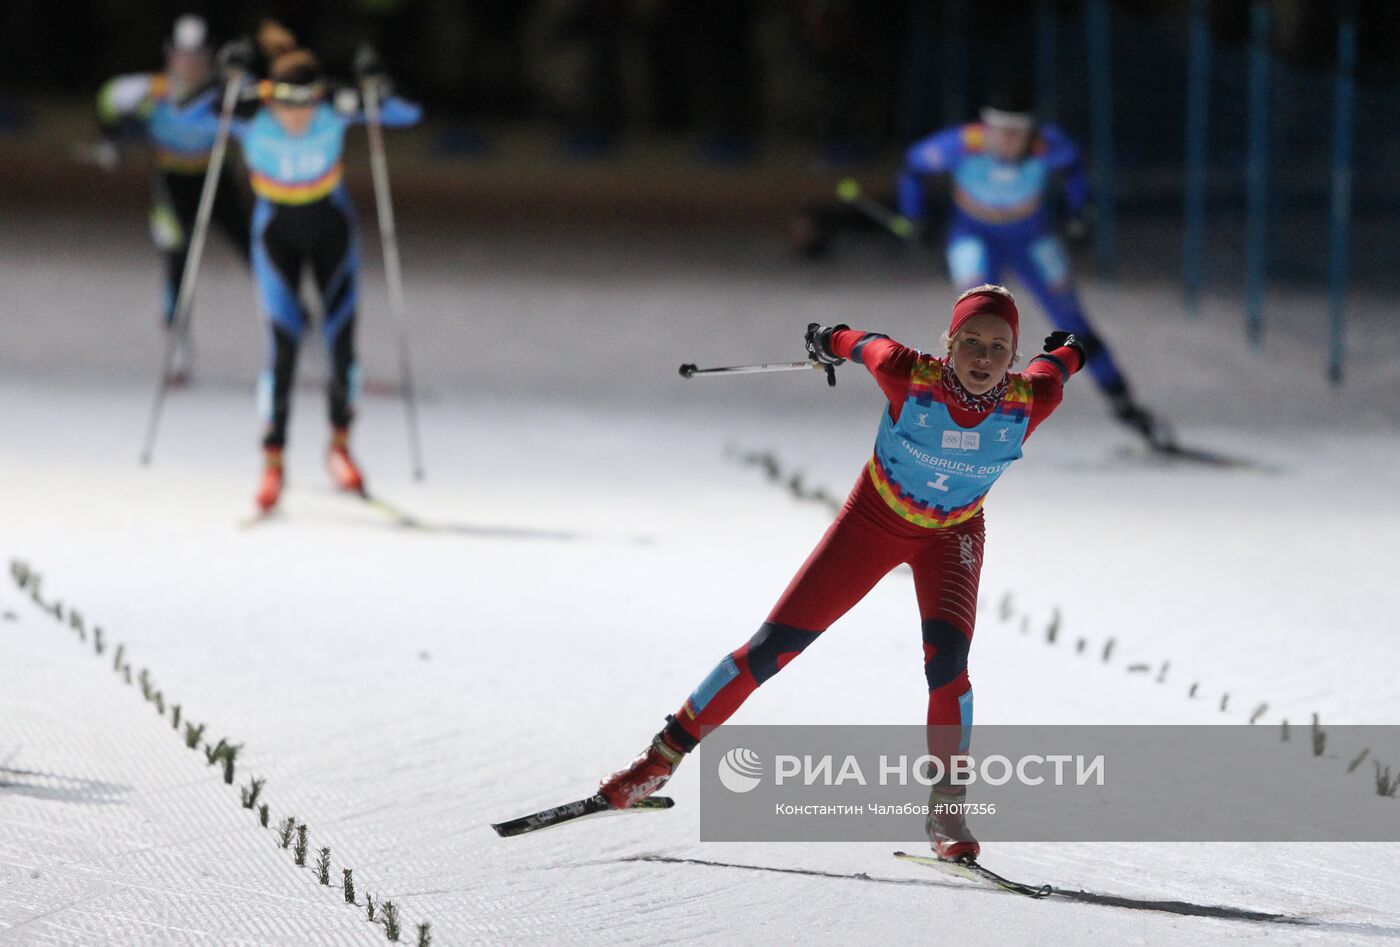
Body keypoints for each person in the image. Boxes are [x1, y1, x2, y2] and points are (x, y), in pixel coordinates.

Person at [599, 284, 1085, 861]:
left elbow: (1059, 363)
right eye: (970, 342)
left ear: (1013, 353)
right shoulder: (911, 375)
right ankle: (657, 762)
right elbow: (867, 344)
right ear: (948, 344)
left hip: (952, 536)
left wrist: (1069, 350)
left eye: (999, 348)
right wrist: (828, 339)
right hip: (872, 523)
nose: (983, 358)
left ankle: (946, 811)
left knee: (948, 666)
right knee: (772, 647)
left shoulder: (1033, 397)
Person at [177, 44, 421, 512]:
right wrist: (222, 82)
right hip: (276, 237)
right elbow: (187, 114)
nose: (299, 117)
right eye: (288, 104)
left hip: (332, 232)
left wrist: (377, 82)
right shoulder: (251, 116)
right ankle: (273, 462)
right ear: (270, 98)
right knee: (284, 347)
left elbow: (407, 114)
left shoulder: (333, 111)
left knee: (342, 344)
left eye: (308, 104)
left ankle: (340, 448)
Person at [896, 85, 1172, 449]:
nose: (1010, 142)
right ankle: (960, 412)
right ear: (987, 128)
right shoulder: (964, 143)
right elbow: (913, 168)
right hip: (975, 238)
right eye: (1002, 132)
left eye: (1019, 133)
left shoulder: (1048, 145)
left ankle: (1125, 404)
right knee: (975, 326)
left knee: (1075, 325)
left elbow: (1075, 171)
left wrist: (1080, 214)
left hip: (1031, 239)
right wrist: (915, 216)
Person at [96, 14, 251, 383]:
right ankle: (178, 349)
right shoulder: (152, 89)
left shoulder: (221, 88)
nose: (189, 62)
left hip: (212, 177)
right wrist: (115, 136)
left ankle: (303, 339)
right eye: (182, 54)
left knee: (253, 247)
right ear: (170, 54)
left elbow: (260, 104)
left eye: (197, 55)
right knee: (179, 259)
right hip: (168, 182)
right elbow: (108, 98)